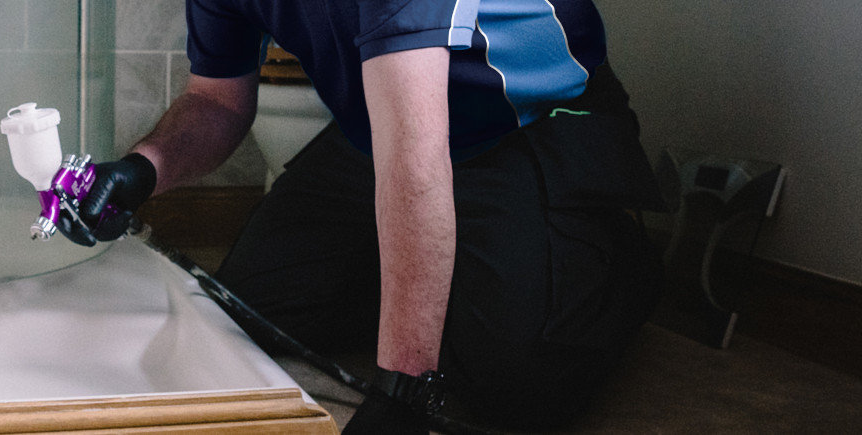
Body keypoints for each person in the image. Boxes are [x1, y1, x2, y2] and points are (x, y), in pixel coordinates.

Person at [55, 1, 670, 432]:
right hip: (382, 128)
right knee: (244, 318)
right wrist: (143, 169)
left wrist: (403, 389)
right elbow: (217, 98)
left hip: (525, 123)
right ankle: (435, 278)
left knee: (521, 387)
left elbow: (418, 153)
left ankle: (611, 259)